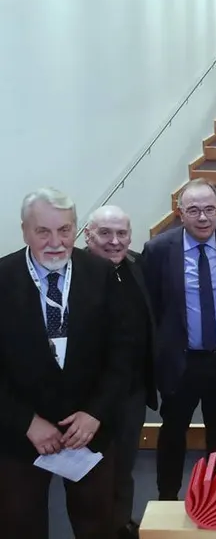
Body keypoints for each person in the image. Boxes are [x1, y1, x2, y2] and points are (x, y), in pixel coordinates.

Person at [0, 189, 133, 539]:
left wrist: (95, 414)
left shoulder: (102, 274)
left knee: (98, 526)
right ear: (25, 230)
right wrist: (26, 422)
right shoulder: (2, 279)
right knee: (19, 526)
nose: (56, 242)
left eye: (65, 230)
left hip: (89, 435)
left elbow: (123, 354)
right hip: (19, 436)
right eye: (43, 231)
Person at [142, 179, 216, 501]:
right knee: (173, 433)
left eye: (209, 210)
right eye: (194, 210)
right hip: (180, 361)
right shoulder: (158, 250)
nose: (203, 217)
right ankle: (167, 497)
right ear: (180, 213)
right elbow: (150, 310)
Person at [85, 205, 156, 539]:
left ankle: (121, 522)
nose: (114, 241)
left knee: (125, 462)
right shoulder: (74, 272)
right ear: (88, 235)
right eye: (105, 233)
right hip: (90, 396)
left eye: (122, 233)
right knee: (92, 470)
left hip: (133, 389)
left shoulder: (138, 264)